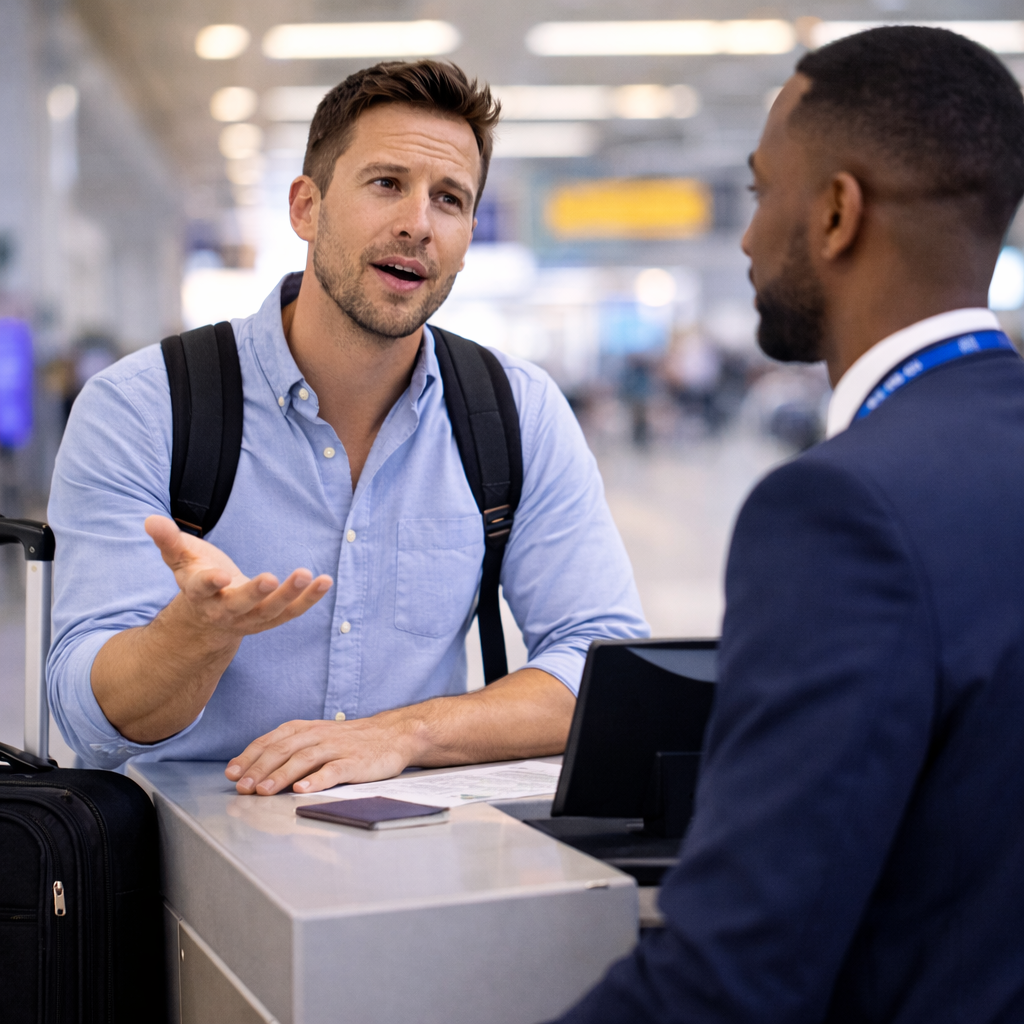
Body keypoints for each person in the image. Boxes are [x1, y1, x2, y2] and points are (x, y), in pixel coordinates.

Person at [553, 26, 1024, 1023]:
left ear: (837, 212)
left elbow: (733, 978)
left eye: (762, 192)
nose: (745, 237)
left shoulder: (845, 511)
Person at [47, 60, 647, 794]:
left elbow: (604, 666)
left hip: (418, 838)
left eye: (450, 199)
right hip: (180, 841)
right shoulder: (144, 408)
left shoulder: (515, 411)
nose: (418, 224)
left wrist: (406, 733)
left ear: (468, 236)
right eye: (387, 183)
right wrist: (196, 635)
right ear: (307, 207)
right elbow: (88, 719)